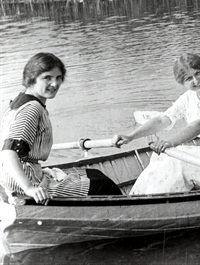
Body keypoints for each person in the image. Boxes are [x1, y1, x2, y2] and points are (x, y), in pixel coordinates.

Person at [113, 53, 200, 194]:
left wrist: (170, 143)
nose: (196, 81)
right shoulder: (188, 98)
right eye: (188, 79)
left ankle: (149, 200)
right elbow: (163, 120)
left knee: (177, 159)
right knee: (162, 156)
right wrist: (130, 137)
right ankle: (139, 197)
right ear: (182, 83)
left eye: (198, 73)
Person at [0, 53, 121, 205]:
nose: (55, 84)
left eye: (58, 77)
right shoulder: (32, 109)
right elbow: (8, 152)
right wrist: (29, 188)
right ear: (31, 78)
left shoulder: (20, 101)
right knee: (104, 186)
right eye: (47, 78)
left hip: (15, 176)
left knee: (94, 173)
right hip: (26, 183)